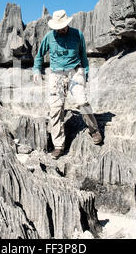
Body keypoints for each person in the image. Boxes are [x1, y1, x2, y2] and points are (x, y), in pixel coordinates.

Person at [32, 10, 103, 160]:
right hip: (56, 75)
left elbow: (83, 56)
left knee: (82, 102)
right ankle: (59, 146)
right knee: (56, 108)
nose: (60, 29)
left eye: (62, 26)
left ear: (67, 24)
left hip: (75, 72)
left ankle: (94, 130)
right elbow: (39, 55)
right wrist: (36, 70)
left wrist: (85, 75)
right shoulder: (49, 37)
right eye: (58, 27)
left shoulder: (77, 35)